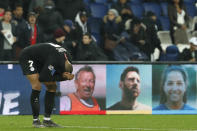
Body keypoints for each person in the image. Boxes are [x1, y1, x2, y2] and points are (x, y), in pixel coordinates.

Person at [19, 43, 74, 127]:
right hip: (28, 56)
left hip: (41, 58)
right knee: (37, 86)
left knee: (52, 86)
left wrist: (65, 77)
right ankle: (36, 121)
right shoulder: (54, 60)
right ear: (64, 72)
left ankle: (47, 120)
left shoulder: (68, 60)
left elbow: (54, 76)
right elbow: (43, 78)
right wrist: (63, 78)